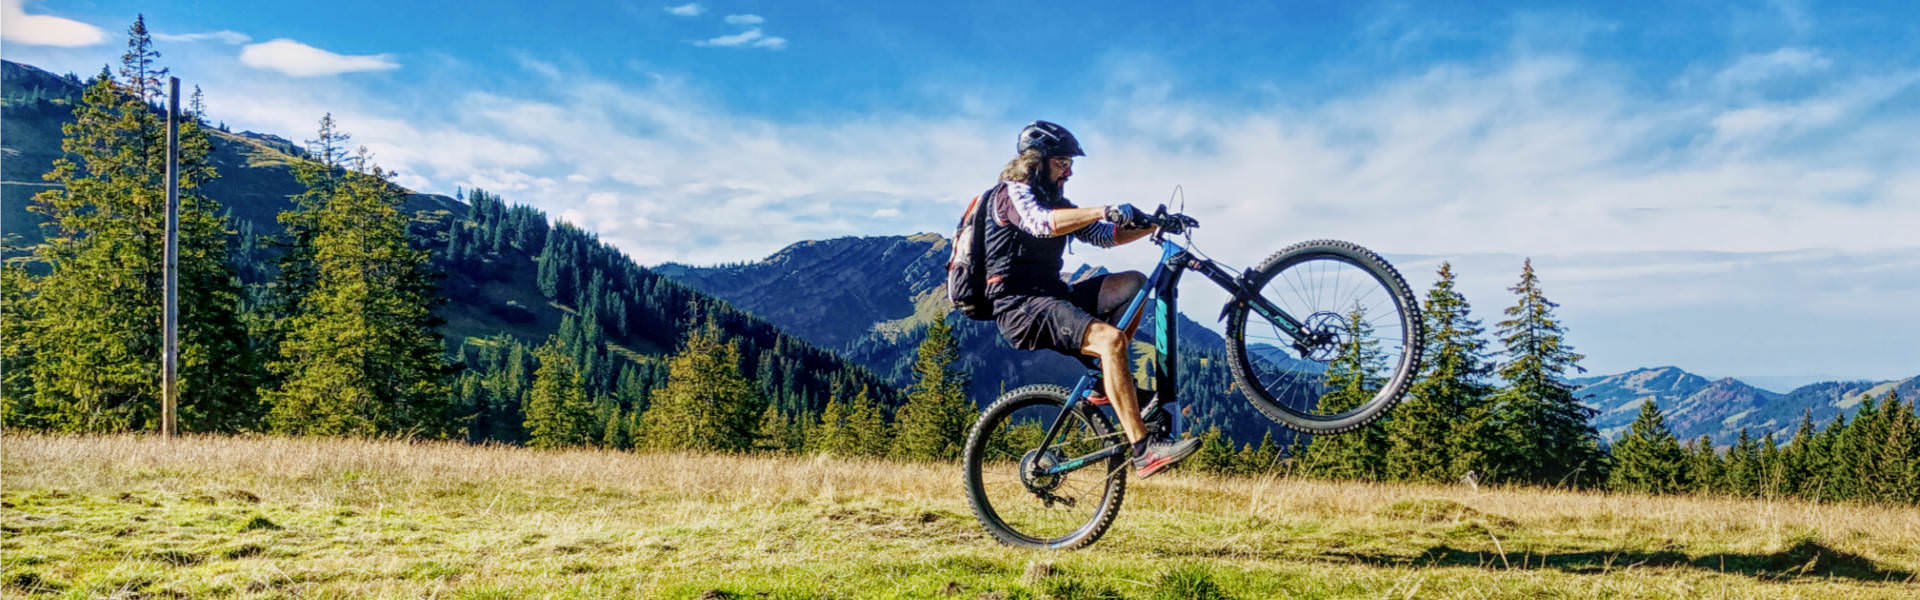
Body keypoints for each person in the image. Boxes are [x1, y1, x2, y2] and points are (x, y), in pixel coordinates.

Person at [984, 120, 1200, 478]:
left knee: (1133, 284)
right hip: (1021, 306)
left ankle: (1104, 380)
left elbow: (1104, 236)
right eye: (1062, 162)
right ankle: (1144, 451)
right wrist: (1104, 208)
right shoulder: (1011, 194)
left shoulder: (1058, 201)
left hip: (1053, 296)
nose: (1069, 170)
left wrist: (1155, 224)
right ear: (1036, 161)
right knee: (1111, 340)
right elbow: (1042, 223)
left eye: (1071, 164)